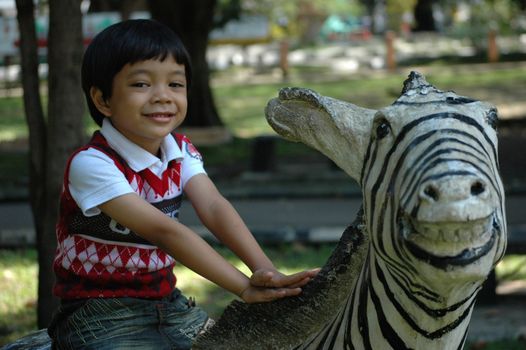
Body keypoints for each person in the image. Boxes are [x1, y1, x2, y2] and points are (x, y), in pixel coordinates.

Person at [48, 19, 318, 350]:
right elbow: (167, 233)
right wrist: (242, 287)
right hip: (98, 313)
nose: (162, 97)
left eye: (175, 84)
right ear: (103, 100)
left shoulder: (180, 150)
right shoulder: (92, 163)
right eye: (141, 84)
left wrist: (264, 269)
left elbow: (214, 207)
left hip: (168, 303)